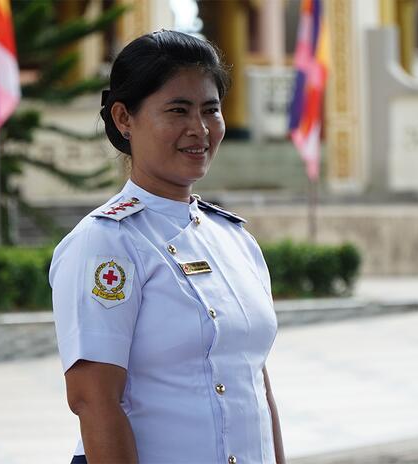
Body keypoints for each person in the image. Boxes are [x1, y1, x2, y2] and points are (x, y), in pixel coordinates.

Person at [49, 30, 285, 464]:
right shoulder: (105, 242)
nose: (199, 129)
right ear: (124, 118)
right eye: (177, 110)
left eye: (210, 110)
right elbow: (93, 401)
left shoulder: (235, 239)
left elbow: (255, 384)